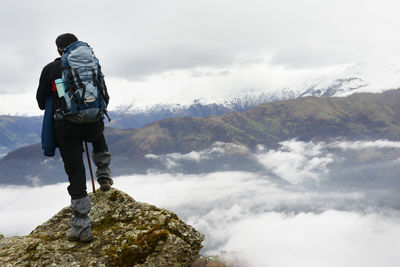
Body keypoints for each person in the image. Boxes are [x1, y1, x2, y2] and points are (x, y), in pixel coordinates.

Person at [36, 33, 113, 242]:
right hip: (93, 121)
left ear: (58, 50)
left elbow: (41, 102)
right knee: (98, 136)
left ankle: (82, 229)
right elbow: (102, 93)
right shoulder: (91, 62)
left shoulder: (51, 69)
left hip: (66, 127)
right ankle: (104, 175)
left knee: (76, 174)